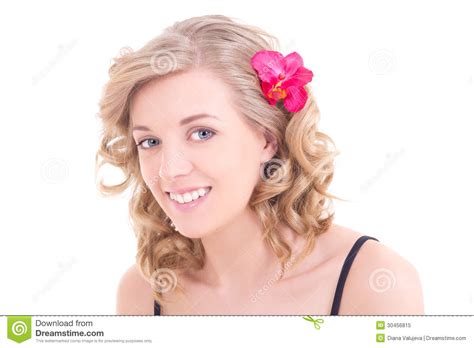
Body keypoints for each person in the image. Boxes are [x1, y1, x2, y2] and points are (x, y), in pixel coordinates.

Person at [95, 14, 424, 315]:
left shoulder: (374, 282)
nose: (169, 169)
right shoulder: (143, 292)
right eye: (149, 142)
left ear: (267, 139)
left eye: (202, 133)